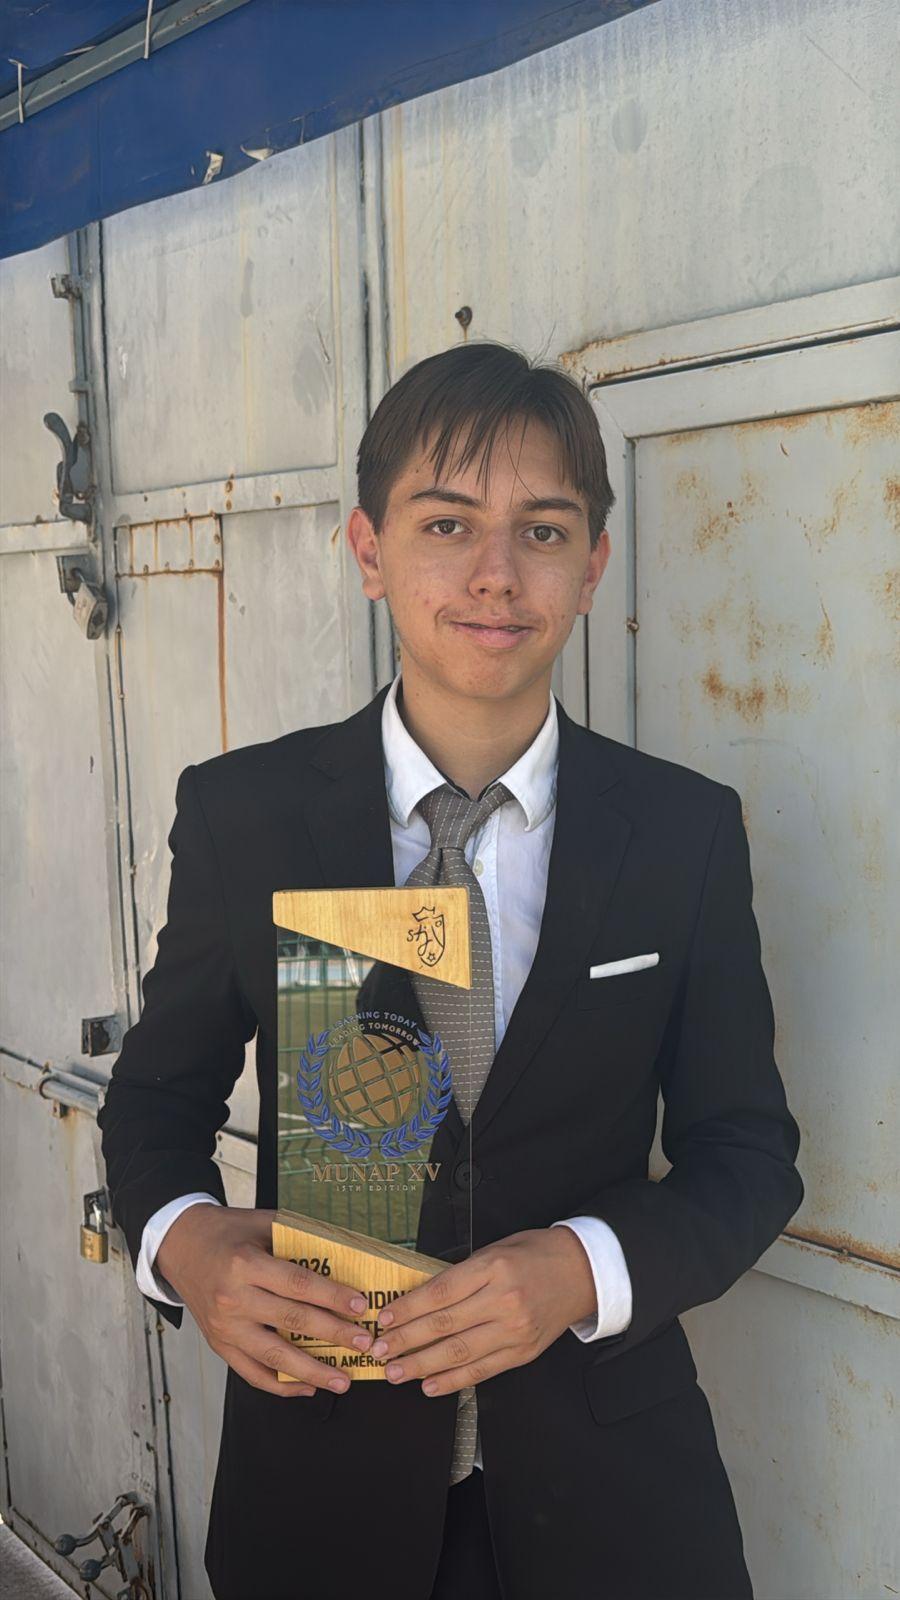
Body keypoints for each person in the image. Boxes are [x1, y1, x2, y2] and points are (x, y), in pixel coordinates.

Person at [98, 341, 804, 1600]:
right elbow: (155, 1103)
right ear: (369, 550)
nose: (496, 572)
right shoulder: (245, 815)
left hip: (611, 1500)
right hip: (321, 1486)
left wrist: (581, 1266)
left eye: (543, 530)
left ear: (594, 562)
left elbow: (746, 1151)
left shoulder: (681, 832)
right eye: (446, 523)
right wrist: (189, 1247)